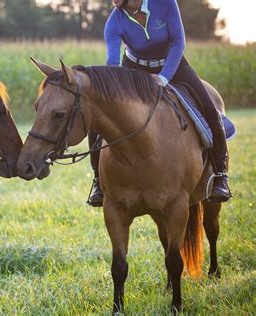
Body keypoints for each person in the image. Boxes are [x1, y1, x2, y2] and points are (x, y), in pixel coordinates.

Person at [87, 0, 231, 207]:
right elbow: (113, 62)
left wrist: (164, 77)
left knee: (209, 110)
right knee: (101, 117)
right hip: (134, 70)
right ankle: (98, 182)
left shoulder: (165, 3)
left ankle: (220, 175)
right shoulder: (114, 21)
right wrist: (112, 87)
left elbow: (178, 42)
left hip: (173, 64)